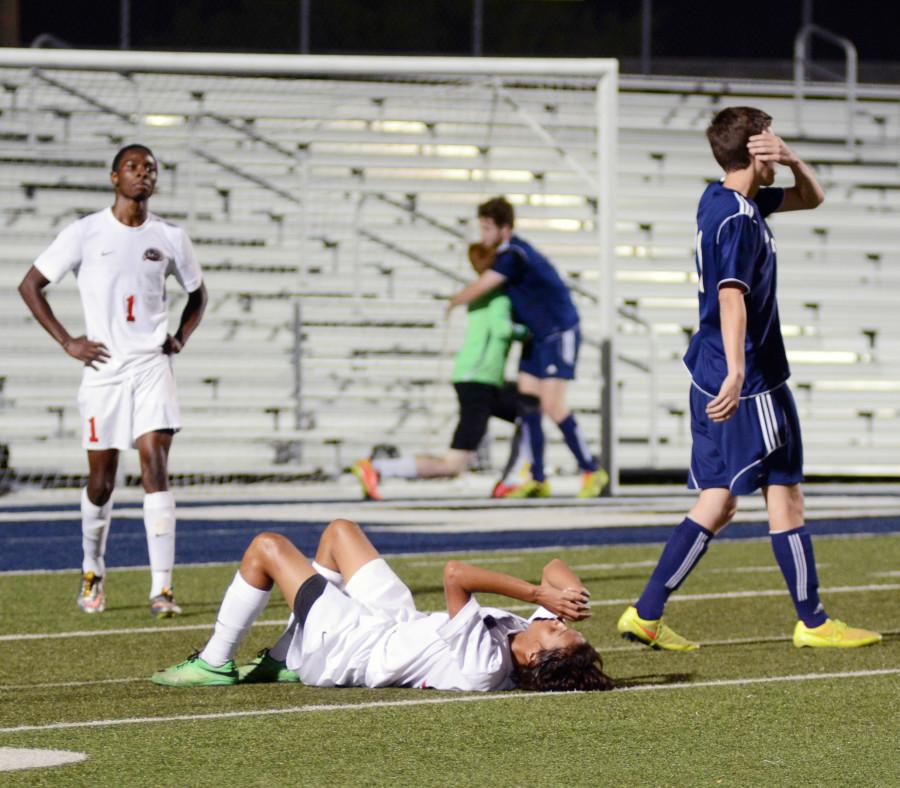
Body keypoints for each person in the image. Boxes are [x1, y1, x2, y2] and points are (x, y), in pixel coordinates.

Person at [617, 107, 881, 650]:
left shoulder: (722, 199)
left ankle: (645, 614)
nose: (780, 144)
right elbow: (730, 295)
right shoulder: (738, 217)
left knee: (718, 500)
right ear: (755, 149)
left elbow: (812, 197)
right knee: (785, 494)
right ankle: (813, 622)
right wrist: (739, 371)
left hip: (707, 369)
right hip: (748, 379)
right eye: (772, 138)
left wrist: (791, 159)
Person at [18, 144, 207, 618]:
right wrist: (68, 342)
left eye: (150, 169)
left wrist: (179, 338)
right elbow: (30, 285)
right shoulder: (84, 232)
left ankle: (161, 589)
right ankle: (92, 568)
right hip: (104, 371)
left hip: (150, 366)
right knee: (101, 482)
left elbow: (198, 294)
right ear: (113, 177)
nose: (143, 174)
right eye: (133, 167)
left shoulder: (170, 236)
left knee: (154, 465)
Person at [151, 518, 614, 692]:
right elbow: (556, 566)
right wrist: (571, 600)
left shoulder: (486, 666)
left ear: (534, 656)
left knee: (267, 546)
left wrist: (537, 595)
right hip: (393, 623)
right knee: (340, 532)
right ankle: (280, 658)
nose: (552, 620)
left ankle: (214, 661)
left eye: (556, 629)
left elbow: (455, 575)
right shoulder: (526, 645)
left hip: (349, 646)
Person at [447, 198, 608, 499]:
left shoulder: (513, 254)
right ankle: (537, 476)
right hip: (536, 337)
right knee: (527, 401)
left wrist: (453, 301)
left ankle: (592, 469)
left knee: (552, 403)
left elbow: (484, 284)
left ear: (504, 228)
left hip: (558, 332)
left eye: (486, 228)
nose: (482, 234)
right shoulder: (508, 254)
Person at [351, 242, 532, 500]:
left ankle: (514, 478)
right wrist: (528, 332)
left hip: (478, 379)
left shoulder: (478, 295)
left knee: (528, 413)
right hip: (479, 380)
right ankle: (379, 468)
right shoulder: (498, 297)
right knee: (455, 464)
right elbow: (502, 329)